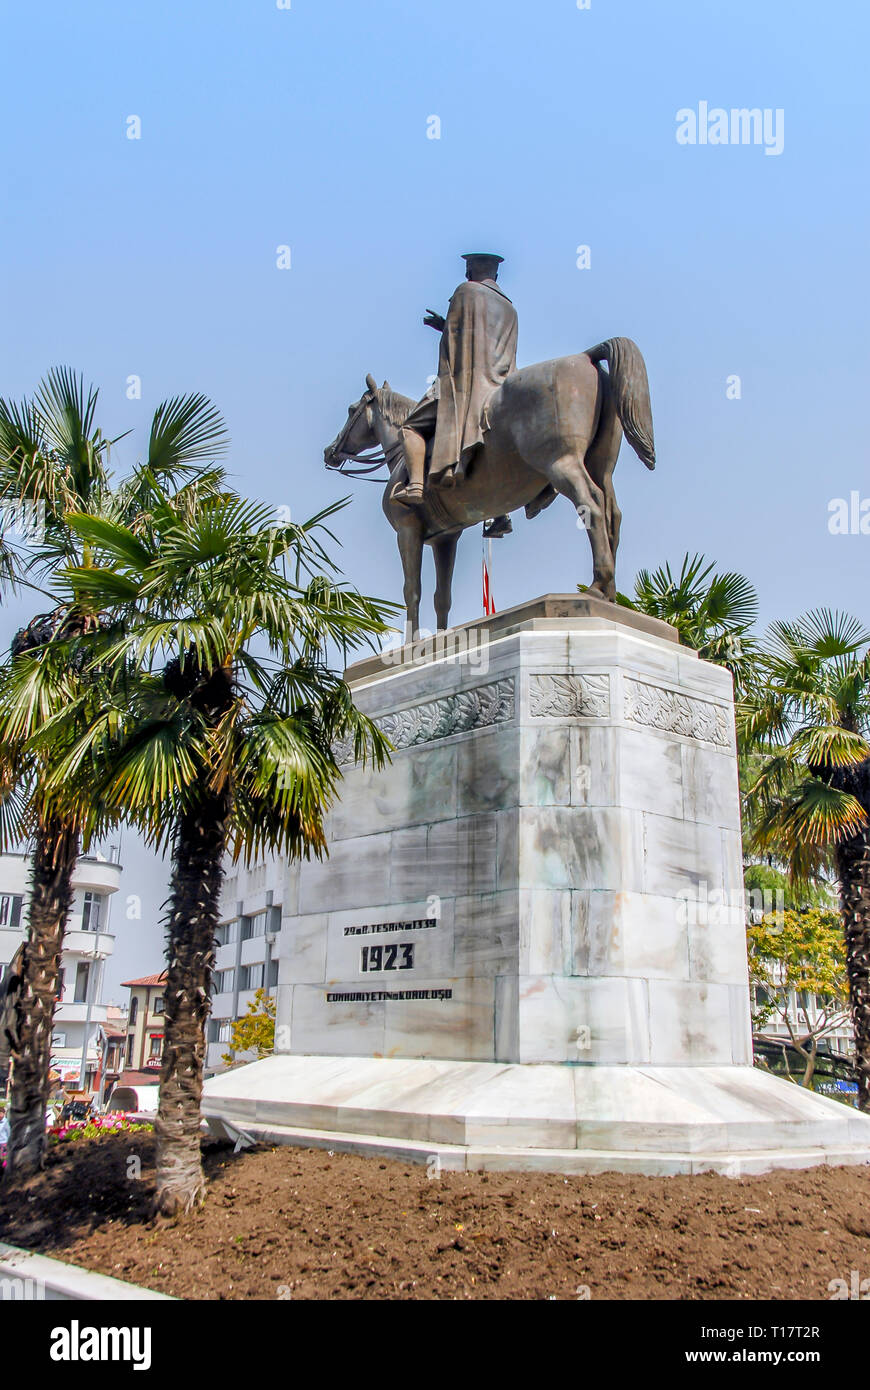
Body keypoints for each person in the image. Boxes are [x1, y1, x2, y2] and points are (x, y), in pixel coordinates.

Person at [393, 252, 517, 536]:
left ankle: (415, 486)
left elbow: (459, 342)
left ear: (471, 270)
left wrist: (445, 327)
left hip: (467, 384)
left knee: (410, 427)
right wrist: (446, 326)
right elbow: (483, 340)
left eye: (467, 269)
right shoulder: (509, 307)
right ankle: (503, 511)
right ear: (495, 276)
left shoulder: (466, 291)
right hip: (501, 386)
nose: (465, 274)